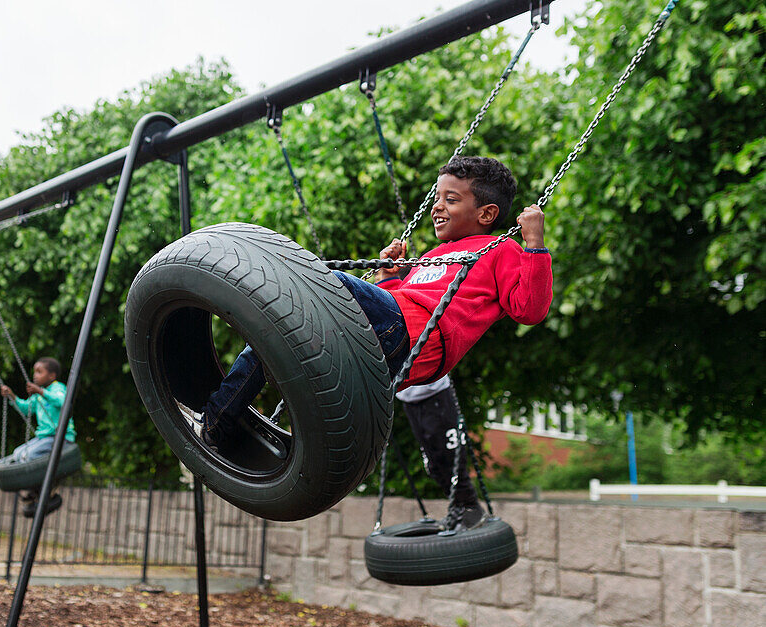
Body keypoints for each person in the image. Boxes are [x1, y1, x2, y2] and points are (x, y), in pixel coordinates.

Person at [199, 156, 553, 529]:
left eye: (451, 199)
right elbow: (390, 302)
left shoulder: (502, 250)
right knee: (269, 340)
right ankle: (216, 426)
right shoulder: (431, 256)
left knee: (321, 284)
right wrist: (387, 276)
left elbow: (530, 309)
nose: (437, 206)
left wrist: (534, 244)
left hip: (415, 339)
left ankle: (278, 276)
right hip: (389, 338)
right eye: (438, 196)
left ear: (486, 214)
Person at [397, 375, 484, 530]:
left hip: (436, 395)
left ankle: (471, 506)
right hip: (410, 401)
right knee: (433, 465)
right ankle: (457, 507)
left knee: (450, 457)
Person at [0, 357, 76, 517]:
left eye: (39, 372)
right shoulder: (38, 395)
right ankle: (37, 491)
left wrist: (41, 391)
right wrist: (12, 396)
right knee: (18, 453)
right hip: (45, 437)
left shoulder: (57, 388)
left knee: (31, 455)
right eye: (35, 371)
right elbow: (25, 408)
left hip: (60, 437)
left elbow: (63, 402)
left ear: (51, 376)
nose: (35, 375)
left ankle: (49, 488)